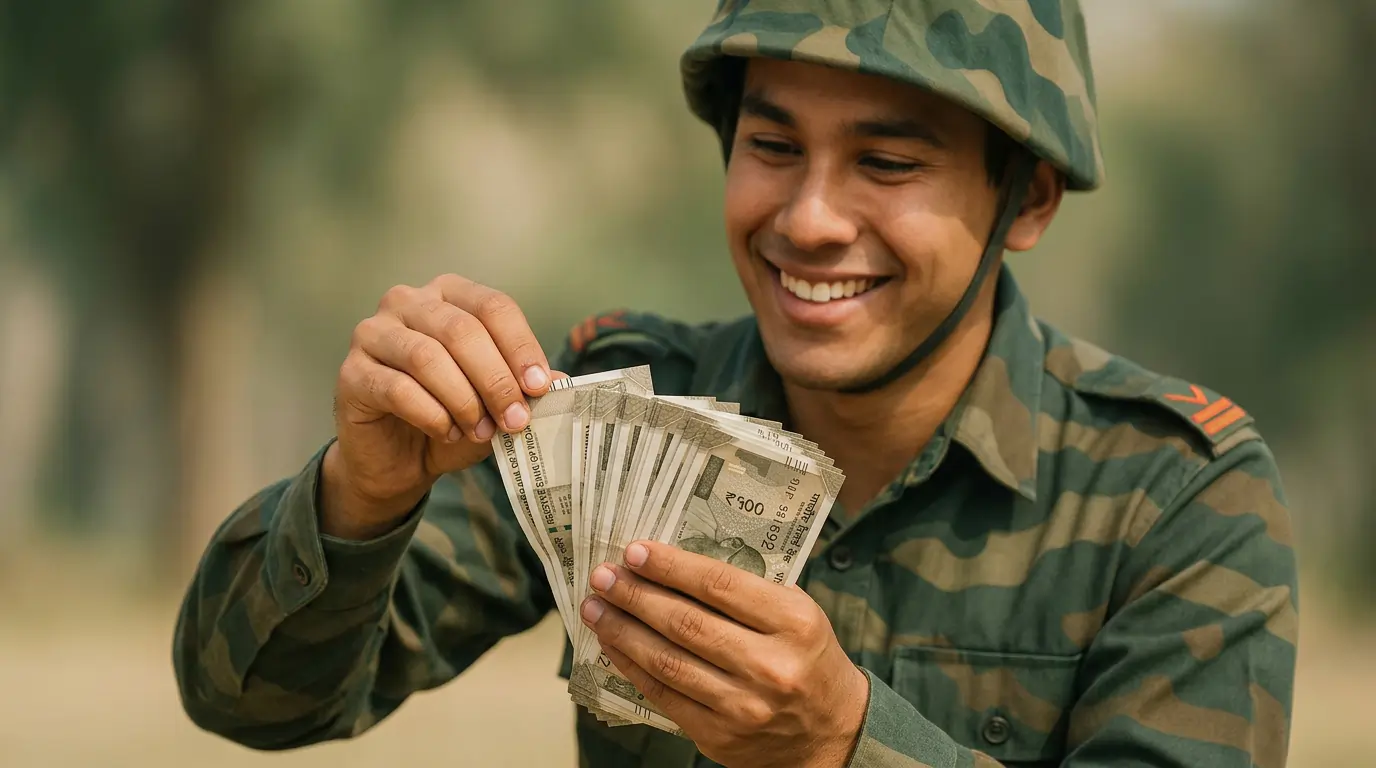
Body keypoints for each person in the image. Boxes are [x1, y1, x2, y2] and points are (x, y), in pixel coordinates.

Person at [172, 2, 1298, 766]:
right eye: (770, 146)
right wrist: (359, 496)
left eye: (887, 162)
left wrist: (839, 744)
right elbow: (253, 702)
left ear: (1030, 200)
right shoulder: (616, 409)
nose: (807, 219)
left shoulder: (1173, 501)